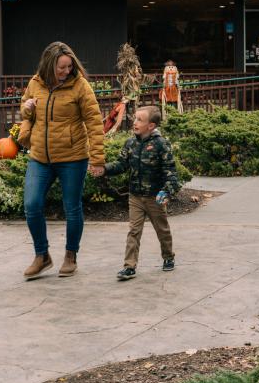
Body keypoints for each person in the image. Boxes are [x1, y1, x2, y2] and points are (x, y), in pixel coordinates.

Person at [19, 41, 105, 280]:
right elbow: (26, 111)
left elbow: (94, 122)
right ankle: (42, 255)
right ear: (49, 65)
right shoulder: (35, 83)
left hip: (72, 157)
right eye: (61, 67)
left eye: (69, 66)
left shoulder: (80, 86)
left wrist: (97, 159)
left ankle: (71, 255)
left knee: (72, 208)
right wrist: (26, 107)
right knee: (32, 205)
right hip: (39, 156)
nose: (66, 71)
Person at [99, 105, 181, 281]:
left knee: (162, 229)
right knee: (133, 231)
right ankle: (129, 267)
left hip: (155, 197)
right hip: (135, 196)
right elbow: (121, 164)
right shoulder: (130, 143)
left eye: (139, 120)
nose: (134, 122)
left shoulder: (161, 145)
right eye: (134, 118)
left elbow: (171, 173)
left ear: (151, 125)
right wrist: (104, 169)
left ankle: (168, 257)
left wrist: (166, 191)